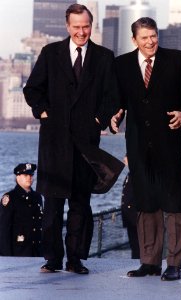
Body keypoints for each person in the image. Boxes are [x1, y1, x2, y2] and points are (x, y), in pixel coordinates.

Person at [23, 4, 121, 274]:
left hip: (85, 144)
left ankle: (75, 260)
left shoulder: (104, 57)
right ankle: (52, 259)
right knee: (52, 207)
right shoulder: (50, 53)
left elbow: (112, 97)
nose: (81, 32)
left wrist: (100, 120)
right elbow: (32, 89)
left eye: (86, 26)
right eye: (76, 27)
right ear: (67, 26)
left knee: (80, 204)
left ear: (92, 25)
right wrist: (42, 111)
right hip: (54, 143)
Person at [111, 17, 181, 281]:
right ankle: (149, 262)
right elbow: (117, 100)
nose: (151, 42)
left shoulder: (178, 59)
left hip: (171, 144)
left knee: (175, 205)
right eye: (144, 38)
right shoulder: (121, 64)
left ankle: (175, 263)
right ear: (134, 40)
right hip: (138, 147)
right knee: (146, 205)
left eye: (154, 36)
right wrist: (114, 115)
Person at [0, 163, 43, 257]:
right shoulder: (10, 198)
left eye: (31, 175)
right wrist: (6, 256)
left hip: (37, 251)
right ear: (17, 177)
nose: (29, 177)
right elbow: (4, 229)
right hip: (18, 252)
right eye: (25, 175)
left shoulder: (37, 197)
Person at [121, 156, 140, 259]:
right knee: (134, 245)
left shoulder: (135, 175)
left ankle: (138, 263)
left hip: (134, 216)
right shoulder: (130, 174)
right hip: (129, 216)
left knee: (137, 245)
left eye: (126, 157)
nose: (124, 159)